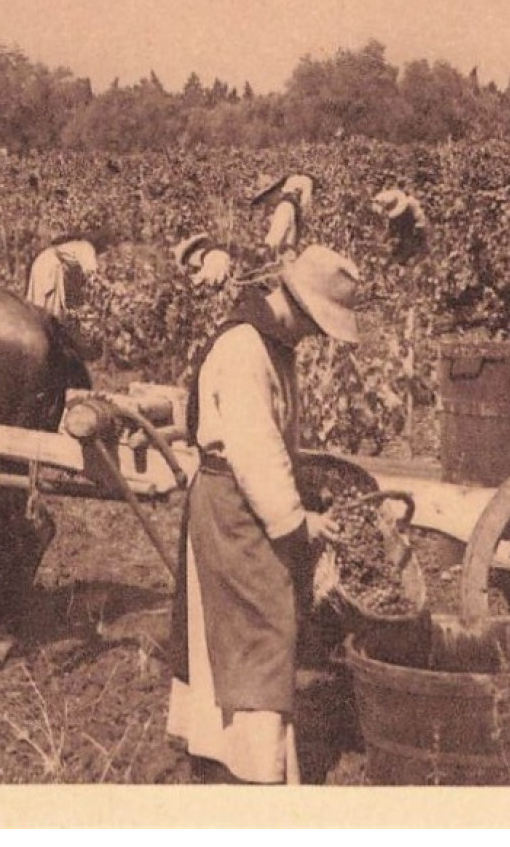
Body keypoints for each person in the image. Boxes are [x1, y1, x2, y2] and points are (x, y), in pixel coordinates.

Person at [167, 244, 361, 785]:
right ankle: (253, 764)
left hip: (241, 498)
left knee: (239, 629)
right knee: (265, 624)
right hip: (234, 503)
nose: (316, 337)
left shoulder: (270, 343)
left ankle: (227, 749)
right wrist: (299, 522)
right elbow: (255, 450)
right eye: (317, 325)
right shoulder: (245, 348)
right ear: (295, 304)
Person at [26, 231, 98, 319]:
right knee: (50, 312)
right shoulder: (88, 248)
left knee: (38, 307)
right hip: (50, 267)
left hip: (43, 262)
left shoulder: (77, 245)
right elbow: (93, 278)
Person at [249, 173, 313, 260]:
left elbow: (275, 238)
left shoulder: (284, 206)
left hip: (282, 261)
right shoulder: (291, 207)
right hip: (290, 208)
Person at [370, 187, 428, 264]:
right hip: (401, 228)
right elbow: (391, 226)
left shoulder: (411, 204)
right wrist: (385, 239)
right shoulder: (389, 209)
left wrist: (415, 235)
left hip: (414, 228)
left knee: (411, 246)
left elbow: (422, 223)